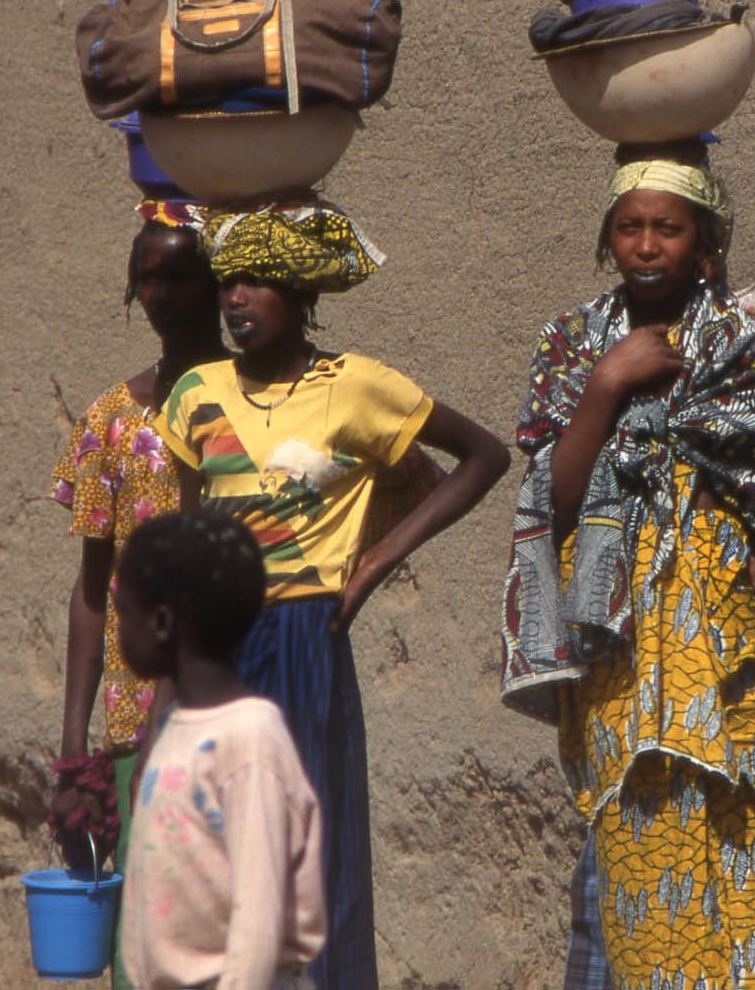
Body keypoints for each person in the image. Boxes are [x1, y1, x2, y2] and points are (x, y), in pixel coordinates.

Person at [501, 152, 755, 990]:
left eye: (668, 228)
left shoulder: (749, 347)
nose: (646, 245)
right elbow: (557, 497)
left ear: (705, 247)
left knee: (748, 882)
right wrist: (605, 387)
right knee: (639, 855)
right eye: (630, 227)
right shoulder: (574, 342)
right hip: (624, 660)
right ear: (606, 240)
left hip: (733, 659)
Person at [153, 198, 510, 990]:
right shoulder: (195, 394)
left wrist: (379, 557)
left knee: (311, 850)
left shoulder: (354, 387)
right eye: (229, 282)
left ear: (304, 296)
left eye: (261, 282)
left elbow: (484, 457)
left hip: (306, 631)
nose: (237, 299)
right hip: (220, 643)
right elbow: (186, 534)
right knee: (216, 846)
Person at [48, 200, 225, 989]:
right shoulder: (112, 421)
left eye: (181, 275)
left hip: (228, 711)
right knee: (145, 945)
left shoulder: (247, 406)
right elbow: (94, 588)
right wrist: (74, 744)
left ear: (218, 284)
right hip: (132, 724)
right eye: (148, 277)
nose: (162, 294)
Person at [115, 510, 325, 990]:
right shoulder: (179, 729)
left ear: (162, 621)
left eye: (122, 611)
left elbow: (257, 919)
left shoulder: (249, 739)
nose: (119, 627)